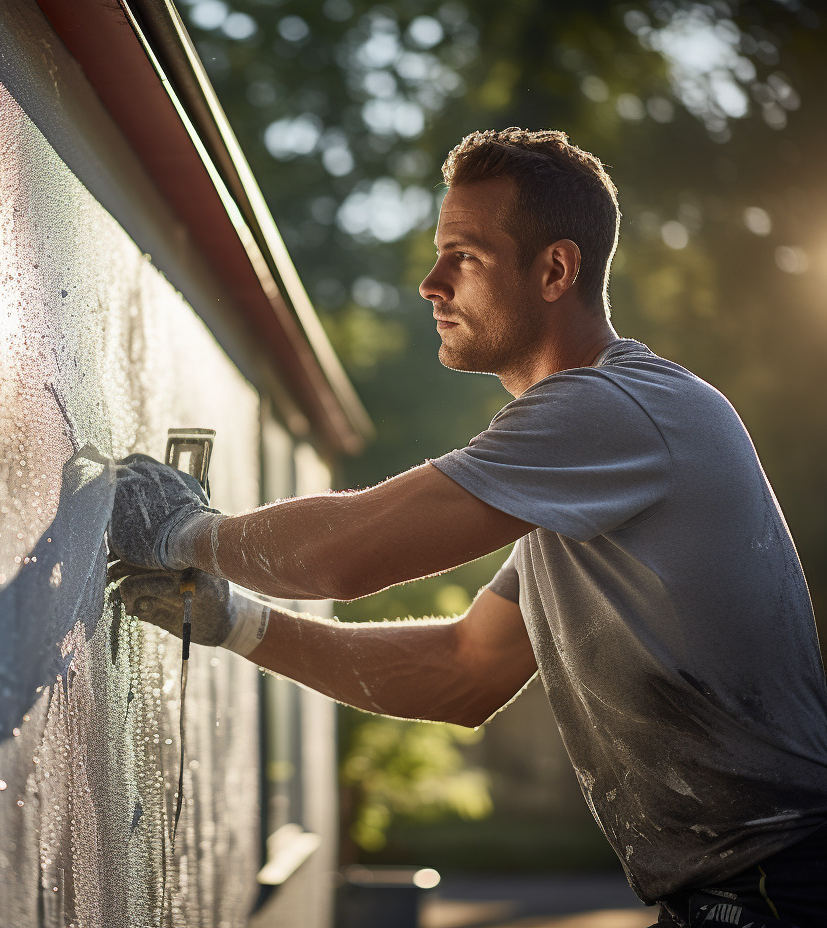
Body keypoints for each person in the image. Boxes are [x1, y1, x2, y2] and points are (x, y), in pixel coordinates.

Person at [106, 129, 827, 926]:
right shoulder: (580, 467)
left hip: (781, 887)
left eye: (465, 256)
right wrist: (237, 623)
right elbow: (464, 671)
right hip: (745, 890)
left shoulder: (612, 410)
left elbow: (345, 556)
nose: (430, 283)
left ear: (555, 270)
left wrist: (182, 530)